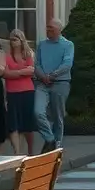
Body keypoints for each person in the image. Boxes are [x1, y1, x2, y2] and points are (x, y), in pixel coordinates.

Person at [33, 19, 74, 153]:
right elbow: (37, 64)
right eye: (47, 27)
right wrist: (43, 76)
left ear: (59, 30)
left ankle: (56, 145)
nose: (48, 30)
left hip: (60, 83)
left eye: (51, 28)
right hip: (42, 83)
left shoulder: (67, 45)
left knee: (58, 116)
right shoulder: (42, 45)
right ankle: (49, 138)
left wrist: (52, 75)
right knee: (38, 111)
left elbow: (67, 64)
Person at [3, 30, 38, 155]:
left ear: (21, 40)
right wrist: (21, 72)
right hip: (12, 92)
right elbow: (5, 73)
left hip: (27, 91)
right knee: (13, 123)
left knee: (27, 124)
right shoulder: (6, 56)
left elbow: (31, 71)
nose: (12, 42)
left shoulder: (28, 54)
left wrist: (15, 73)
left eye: (15, 39)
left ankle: (30, 151)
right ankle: (17, 153)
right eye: (11, 39)